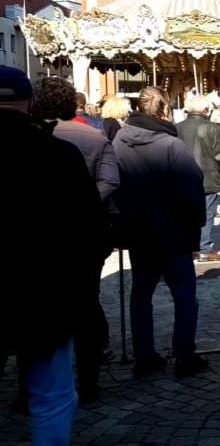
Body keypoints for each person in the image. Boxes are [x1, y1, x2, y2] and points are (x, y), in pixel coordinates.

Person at [1, 67, 105, 443]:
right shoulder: (60, 154)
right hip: (44, 294)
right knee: (54, 396)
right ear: (28, 103)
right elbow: (89, 227)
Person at [30, 77, 120, 401]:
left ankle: (35, 385)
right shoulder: (93, 137)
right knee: (87, 305)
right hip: (84, 235)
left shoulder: (32, 136)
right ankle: (90, 382)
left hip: (39, 235)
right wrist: (85, 204)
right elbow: (110, 179)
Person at [112, 86, 208, 379]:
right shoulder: (171, 145)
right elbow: (193, 190)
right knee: (184, 295)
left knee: (141, 294)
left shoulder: (119, 140)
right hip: (172, 233)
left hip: (138, 231)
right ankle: (184, 355)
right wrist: (196, 229)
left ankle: (145, 356)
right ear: (165, 110)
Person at [177, 95, 220, 262]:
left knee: (185, 212)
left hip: (183, 176)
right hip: (208, 175)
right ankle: (204, 247)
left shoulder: (176, 127)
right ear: (206, 110)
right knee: (207, 212)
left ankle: (186, 246)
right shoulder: (213, 128)